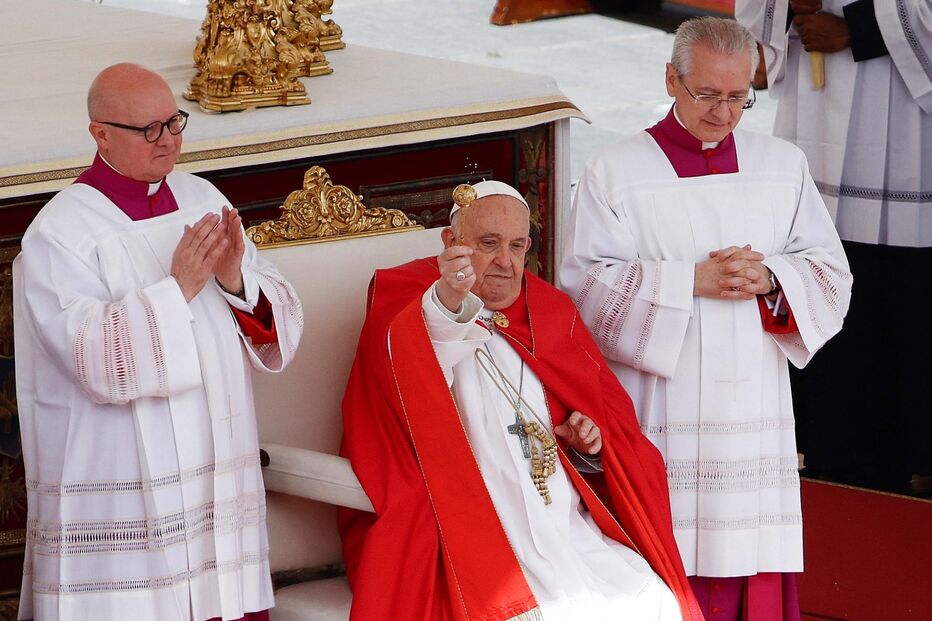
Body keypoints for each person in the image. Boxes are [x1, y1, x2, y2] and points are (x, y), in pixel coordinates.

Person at [560, 17, 852, 621]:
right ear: (671, 78)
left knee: (751, 549)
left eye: (740, 97)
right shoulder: (616, 170)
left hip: (755, 402)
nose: (724, 113)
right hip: (662, 400)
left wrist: (772, 277)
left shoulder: (781, 164)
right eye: (708, 95)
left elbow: (830, 270)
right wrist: (691, 279)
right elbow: (586, 286)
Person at [13, 63, 304, 621]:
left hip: (216, 463)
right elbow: (93, 360)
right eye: (149, 129)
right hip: (119, 472)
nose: (168, 140)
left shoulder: (203, 198)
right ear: (100, 134)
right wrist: (178, 289)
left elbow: (275, 319)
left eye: (175, 122)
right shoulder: (61, 232)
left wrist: (236, 281)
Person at [337, 180, 702, 620]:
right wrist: (450, 299)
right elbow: (403, 379)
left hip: (562, 524)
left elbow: (607, 430)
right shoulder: (410, 300)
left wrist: (587, 445)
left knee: (652, 602)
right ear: (452, 243)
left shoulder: (550, 311)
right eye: (488, 244)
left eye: (517, 247)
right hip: (470, 527)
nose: (504, 263)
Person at [734, 0, 932, 490]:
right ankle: (831, 445)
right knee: (819, 263)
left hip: (908, 115)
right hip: (817, 111)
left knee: (903, 292)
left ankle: (913, 452)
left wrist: (860, 29)